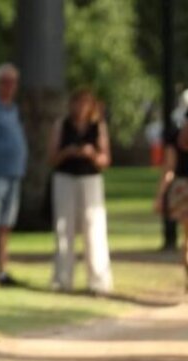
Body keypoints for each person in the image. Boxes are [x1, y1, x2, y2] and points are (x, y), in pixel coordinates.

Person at [47, 88, 114, 295]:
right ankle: (62, 278)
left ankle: (98, 280)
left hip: (90, 179)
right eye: (78, 102)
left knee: (94, 227)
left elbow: (105, 160)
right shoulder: (62, 125)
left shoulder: (97, 126)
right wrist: (68, 152)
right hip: (65, 177)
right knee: (63, 228)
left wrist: (91, 154)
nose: (81, 107)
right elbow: (52, 158)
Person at [0, 63, 28, 286]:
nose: (10, 87)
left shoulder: (13, 108)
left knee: (5, 225)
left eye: (13, 82)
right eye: (5, 82)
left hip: (13, 173)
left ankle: (2, 268)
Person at [154, 111, 188, 292]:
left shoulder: (174, 137)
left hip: (179, 189)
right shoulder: (174, 138)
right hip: (182, 190)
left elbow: (168, 171)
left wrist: (160, 196)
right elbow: (168, 170)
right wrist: (160, 197)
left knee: (187, 236)